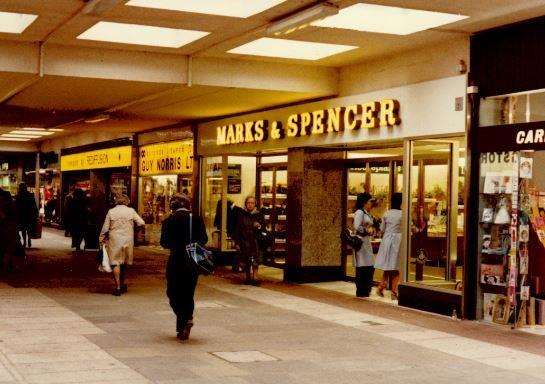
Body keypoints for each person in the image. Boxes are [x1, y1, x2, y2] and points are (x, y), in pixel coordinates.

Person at [160, 194, 207, 341]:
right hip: (193, 261)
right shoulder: (197, 219)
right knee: (188, 293)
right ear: (188, 205)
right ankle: (186, 321)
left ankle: (185, 320)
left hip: (176, 261)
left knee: (173, 293)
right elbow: (204, 239)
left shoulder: (168, 221)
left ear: (173, 206)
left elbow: (164, 243)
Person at [99, 194, 145, 296]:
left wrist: (101, 239)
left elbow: (105, 228)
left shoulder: (111, 212)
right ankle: (122, 283)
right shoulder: (131, 211)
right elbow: (141, 223)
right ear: (126, 201)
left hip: (114, 239)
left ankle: (118, 287)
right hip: (128, 239)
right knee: (124, 262)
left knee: (115, 262)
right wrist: (135, 232)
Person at [375, 193, 403, 299]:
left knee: (388, 265)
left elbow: (381, 229)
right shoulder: (403, 214)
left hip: (387, 240)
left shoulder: (387, 213)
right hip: (398, 241)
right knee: (396, 266)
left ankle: (382, 286)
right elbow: (408, 228)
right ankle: (394, 292)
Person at [233, 196, 264, 284]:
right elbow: (238, 229)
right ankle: (247, 276)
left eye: (252, 203)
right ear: (245, 204)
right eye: (248, 203)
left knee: (255, 258)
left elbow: (264, 227)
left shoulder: (259, 214)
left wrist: (259, 226)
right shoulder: (242, 214)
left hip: (255, 240)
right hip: (244, 240)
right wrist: (237, 242)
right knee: (246, 259)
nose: (250, 205)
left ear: (255, 204)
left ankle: (255, 276)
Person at [353, 192, 376, 298]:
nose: (371, 204)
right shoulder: (359, 212)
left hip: (366, 242)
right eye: (369, 201)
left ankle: (366, 289)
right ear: (364, 202)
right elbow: (357, 226)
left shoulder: (367, 213)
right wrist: (367, 231)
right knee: (362, 265)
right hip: (361, 243)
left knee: (369, 265)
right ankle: (361, 290)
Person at [15, 183, 39, 249]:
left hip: (22, 215)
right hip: (29, 214)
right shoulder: (30, 195)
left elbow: (16, 206)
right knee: (28, 228)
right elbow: (34, 205)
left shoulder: (18, 196)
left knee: (23, 229)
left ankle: (25, 242)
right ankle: (29, 239)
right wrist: (36, 213)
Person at [0, 187, 18, 271]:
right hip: (9, 228)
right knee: (9, 247)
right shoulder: (12, 204)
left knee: (5, 246)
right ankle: (9, 264)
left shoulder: (3, 205)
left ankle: (7, 263)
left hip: (6, 227)